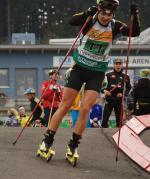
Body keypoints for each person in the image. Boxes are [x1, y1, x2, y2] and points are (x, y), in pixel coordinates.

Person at [37, 0, 140, 163]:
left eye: (109, 14)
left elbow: (134, 33)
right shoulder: (90, 19)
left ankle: (73, 146)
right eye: (103, 13)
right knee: (65, 105)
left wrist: (135, 15)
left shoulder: (115, 26)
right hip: (78, 69)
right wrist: (86, 12)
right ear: (99, 10)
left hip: (97, 73)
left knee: (85, 109)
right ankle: (46, 141)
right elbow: (72, 21)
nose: (106, 18)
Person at [101, 58, 131, 127]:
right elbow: (101, 87)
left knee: (119, 122)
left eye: (119, 64)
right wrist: (105, 91)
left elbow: (129, 88)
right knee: (104, 121)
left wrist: (123, 94)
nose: (118, 65)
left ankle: (118, 136)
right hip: (109, 99)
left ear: (122, 65)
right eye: (116, 64)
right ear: (114, 65)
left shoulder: (126, 76)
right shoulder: (108, 74)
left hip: (119, 100)